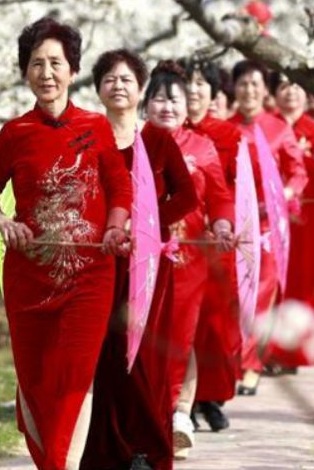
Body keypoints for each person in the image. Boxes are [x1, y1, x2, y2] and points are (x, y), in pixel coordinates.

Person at [0, 18, 132, 470]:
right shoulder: (14, 133)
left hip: (90, 276)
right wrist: (0, 220)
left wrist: (116, 226)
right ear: (25, 73)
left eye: (55, 63)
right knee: (38, 384)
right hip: (30, 280)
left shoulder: (97, 127)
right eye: (36, 64)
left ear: (73, 70)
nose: (46, 73)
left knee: (76, 379)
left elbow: (120, 188)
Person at [83, 49, 197, 470]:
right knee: (110, 352)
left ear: (140, 90)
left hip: (148, 261)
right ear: (97, 89)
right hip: (100, 257)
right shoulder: (86, 136)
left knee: (143, 351)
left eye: (126, 79)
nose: (118, 86)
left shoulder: (157, 139)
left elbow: (187, 196)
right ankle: (112, 450)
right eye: (109, 79)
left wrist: (147, 223)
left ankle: (148, 447)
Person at [142, 61, 236, 460]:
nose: (166, 106)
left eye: (174, 99)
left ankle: (179, 412)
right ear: (146, 104)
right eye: (159, 98)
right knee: (144, 335)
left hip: (189, 257)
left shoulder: (202, 147)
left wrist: (224, 224)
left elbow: (219, 196)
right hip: (143, 257)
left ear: (186, 106)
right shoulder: (135, 143)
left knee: (181, 333)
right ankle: (147, 414)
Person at [227, 60, 308, 394]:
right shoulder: (224, 127)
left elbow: (298, 172)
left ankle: (251, 364)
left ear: (265, 90)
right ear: (234, 88)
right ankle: (232, 361)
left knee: (260, 295)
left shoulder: (277, 128)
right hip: (231, 225)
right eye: (242, 84)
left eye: (255, 84)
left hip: (267, 226)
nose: (249, 90)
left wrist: (283, 196)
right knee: (233, 293)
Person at [179, 57, 244, 432]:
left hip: (218, 240)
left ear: (214, 92)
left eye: (202, 84)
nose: (193, 91)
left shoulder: (229, 136)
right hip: (180, 241)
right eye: (187, 85)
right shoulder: (166, 133)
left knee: (215, 325)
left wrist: (223, 223)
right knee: (185, 326)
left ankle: (211, 397)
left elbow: (237, 190)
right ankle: (182, 402)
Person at [266, 74, 314, 370]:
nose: (291, 91)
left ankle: (297, 350)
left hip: (308, 218)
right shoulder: (265, 128)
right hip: (270, 218)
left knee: (303, 283)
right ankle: (269, 350)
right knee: (273, 285)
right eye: (282, 86)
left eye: (297, 85)